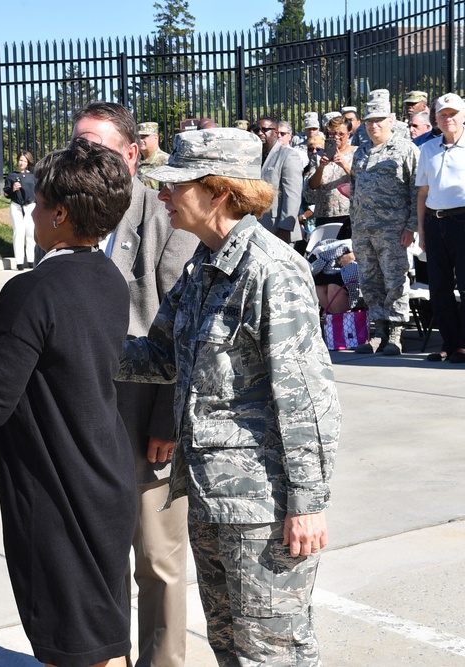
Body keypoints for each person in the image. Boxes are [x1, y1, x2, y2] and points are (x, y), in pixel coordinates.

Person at [117, 127, 342, 667]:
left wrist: (307, 504)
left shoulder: (270, 269)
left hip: (262, 506)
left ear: (218, 191)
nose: (164, 195)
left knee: (272, 653)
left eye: (177, 185)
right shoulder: (204, 266)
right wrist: (69, 336)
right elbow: (160, 357)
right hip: (212, 498)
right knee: (230, 649)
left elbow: (306, 398)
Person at [0, 138, 136, 667]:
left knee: (76, 647)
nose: (33, 212)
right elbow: (54, 342)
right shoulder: (107, 277)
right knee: (103, 637)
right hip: (104, 477)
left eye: (39, 203)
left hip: (56, 491)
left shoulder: (33, 289)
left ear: (61, 214)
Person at [72, 101, 197, 667]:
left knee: (157, 558)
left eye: (97, 146)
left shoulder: (165, 219)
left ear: (129, 154)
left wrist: (167, 418)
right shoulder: (66, 215)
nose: (84, 156)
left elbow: (180, 330)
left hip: (144, 415)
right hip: (83, 415)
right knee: (95, 558)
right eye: (77, 144)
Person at [350, 94, 420, 355]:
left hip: (393, 230)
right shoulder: (361, 152)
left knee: (395, 280)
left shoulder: (406, 149)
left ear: (391, 120)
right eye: (369, 120)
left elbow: (416, 189)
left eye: (379, 120)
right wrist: (355, 224)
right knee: (369, 281)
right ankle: (377, 330)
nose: (374, 125)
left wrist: (411, 226)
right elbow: (355, 188)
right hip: (363, 229)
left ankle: (395, 332)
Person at [416, 92, 465, 363]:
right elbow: (423, 193)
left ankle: (463, 345)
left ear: (463, 116)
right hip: (436, 223)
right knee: (440, 287)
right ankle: (449, 342)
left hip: (463, 220)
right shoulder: (427, 149)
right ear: (435, 119)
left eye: (453, 114)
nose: (449, 119)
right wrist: (422, 230)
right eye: (443, 115)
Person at [254, 117, 304, 245]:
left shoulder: (288, 156)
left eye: (265, 129)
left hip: (278, 228)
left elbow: (292, 195)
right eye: (257, 130)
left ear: (276, 133)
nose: (260, 133)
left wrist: (285, 229)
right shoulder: (255, 157)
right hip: (257, 226)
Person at [306, 115, 357, 239]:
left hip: (349, 213)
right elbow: (312, 185)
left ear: (349, 134)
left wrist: (344, 165)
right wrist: (321, 167)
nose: (337, 137)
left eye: (341, 134)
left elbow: (362, 180)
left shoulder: (357, 153)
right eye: (333, 133)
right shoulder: (317, 157)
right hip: (324, 213)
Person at [4, 150, 38, 269]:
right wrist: (12, 189)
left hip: (30, 206)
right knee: (18, 232)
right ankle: (19, 262)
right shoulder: (11, 176)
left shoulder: (33, 177)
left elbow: (37, 192)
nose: (22, 163)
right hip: (16, 206)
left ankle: (31, 260)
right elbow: (6, 194)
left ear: (28, 162)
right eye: (20, 160)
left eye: (24, 161)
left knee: (30, 233)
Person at [138, 121, 170, 190]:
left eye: (144, 137)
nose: (140, 140)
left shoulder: (166, 161)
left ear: (156, 138)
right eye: (138, 137)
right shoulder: (136, 162)